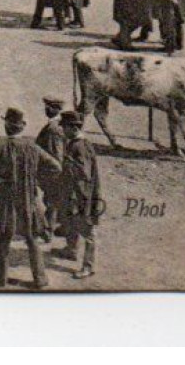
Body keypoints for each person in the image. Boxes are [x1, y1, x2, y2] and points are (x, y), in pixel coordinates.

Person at [0, 107, 62, 289]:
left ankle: (0, 279)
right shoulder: (33, 147)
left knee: (4, 239)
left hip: (7, 201)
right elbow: (55, 166)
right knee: (32, 240)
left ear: (6, 125)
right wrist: (36, 179)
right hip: (28, 200)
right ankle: (40, 279)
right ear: (22, 127)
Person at [57, 110, 102, 278]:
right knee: (70, 221)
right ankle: (71, 250)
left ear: (73, 128)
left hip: (82, 195)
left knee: (88, 232)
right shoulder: (76, 142)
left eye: (65, 127)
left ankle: (89, 266)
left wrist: (68, 166)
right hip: (75, 192)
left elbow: (84, 174)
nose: (62, 130)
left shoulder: (79, 146)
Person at [35, 97, 68, 233]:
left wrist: (55, 174)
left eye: (50, 107)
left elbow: (56, 154)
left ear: (57, 109)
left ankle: (48, 230)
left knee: (51, 200)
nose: (46, 109)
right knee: (54, 199)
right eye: (46, 106)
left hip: (53, 171)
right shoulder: (56, 126)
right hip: (54, 170)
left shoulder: (53, 129)